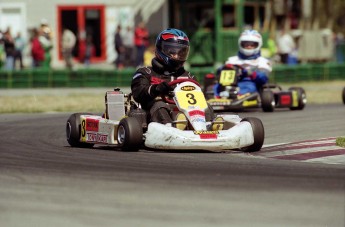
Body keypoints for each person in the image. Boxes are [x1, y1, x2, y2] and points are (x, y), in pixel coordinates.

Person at [131, 28, 195, 124]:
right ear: (161, 49)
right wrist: (156, 89)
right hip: (153, 116)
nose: (177, 56)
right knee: (160, 106)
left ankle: (209, 128)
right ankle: (169, 129)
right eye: (173, 52)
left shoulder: (188, 77)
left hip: (185, 114)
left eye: (181, 52)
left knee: (206, 106)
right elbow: (138, 94)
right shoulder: (146, 73)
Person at [214, 29, 272, 97]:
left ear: (258, 45)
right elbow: (220, 72)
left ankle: (236, 95)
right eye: (246, 44)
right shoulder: (232, 60)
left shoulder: (262, 61)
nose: (248, 47)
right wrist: (221, 69)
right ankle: (214, 97)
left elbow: (263, 78)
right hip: (228, 83)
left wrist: (249, 73)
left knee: (250, 87)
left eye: (252, 45)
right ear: (240, 44)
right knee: (215, 87)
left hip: (249, 83)